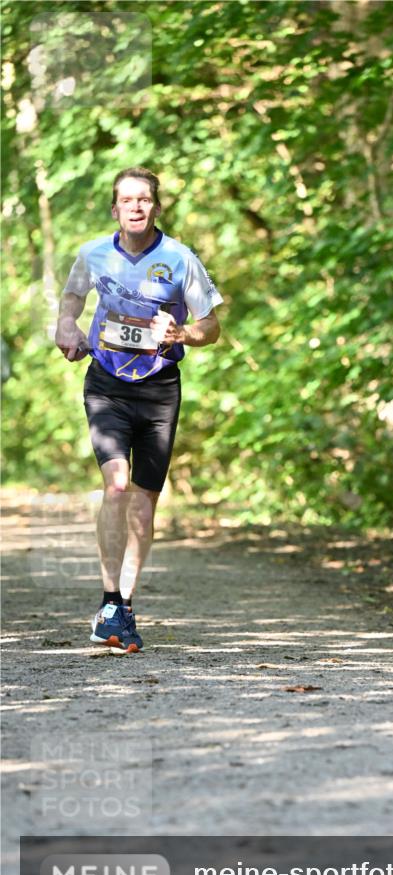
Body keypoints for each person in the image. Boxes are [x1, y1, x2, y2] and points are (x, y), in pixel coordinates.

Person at [54, 167, 223, 653]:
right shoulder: (92, 254)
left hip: (159, 389)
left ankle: (124, 606)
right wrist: (66, 326)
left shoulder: (180, 259)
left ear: (155, 207)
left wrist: (182, 334)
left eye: (143, 199)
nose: (135, 207)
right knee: (117, 484)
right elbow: (71, 300)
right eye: (126, 199)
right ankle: (109, 601)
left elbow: (211, 326)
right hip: (106, 383)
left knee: (145, 504)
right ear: (114, 209)